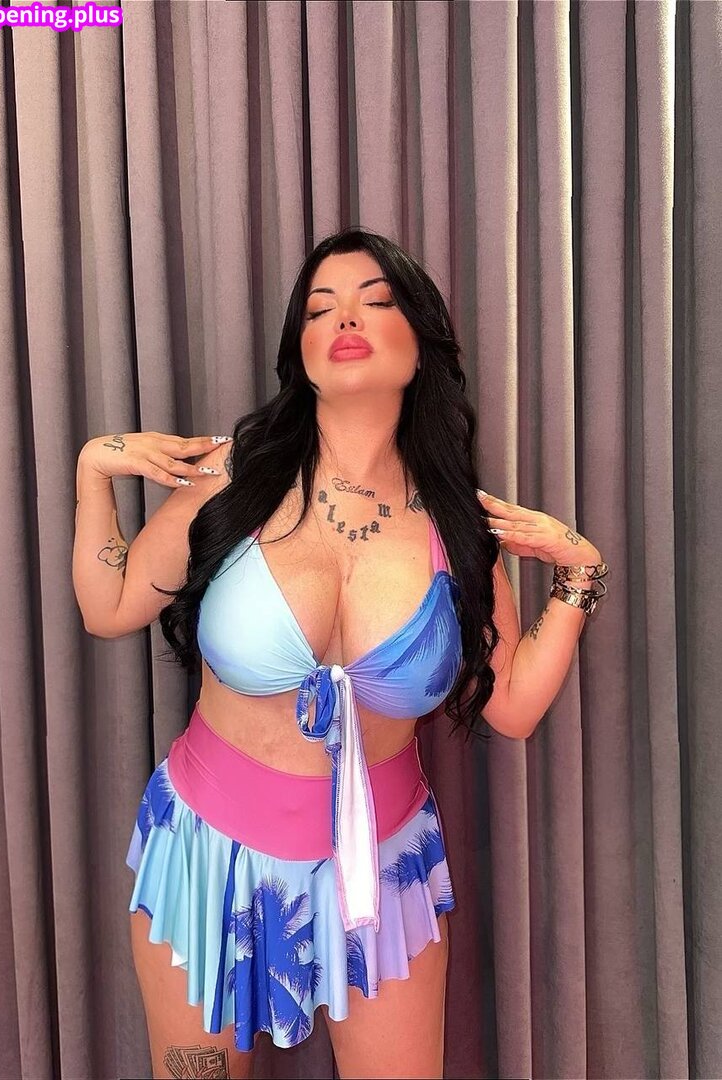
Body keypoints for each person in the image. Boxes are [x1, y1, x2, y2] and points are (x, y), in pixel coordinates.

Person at [73, 227, 607, 1079]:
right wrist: (94, 472)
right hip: (207, 862)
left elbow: (511, 706)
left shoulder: (457, 526)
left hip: (383, 878)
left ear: (421, 344)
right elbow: (109, 608)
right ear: (302, 350)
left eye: (376, 301)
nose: (346, 319)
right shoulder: (235, 478)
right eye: (321, 309)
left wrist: (578, 575)